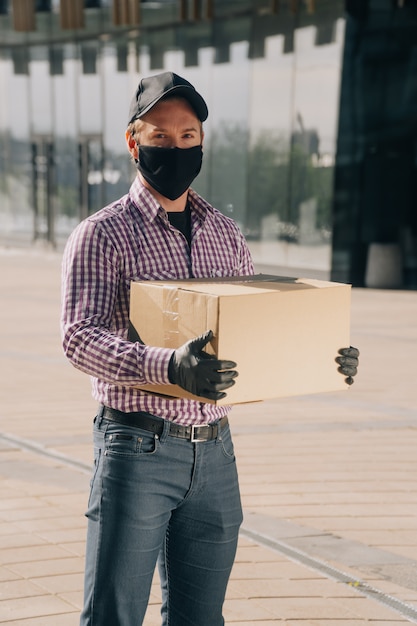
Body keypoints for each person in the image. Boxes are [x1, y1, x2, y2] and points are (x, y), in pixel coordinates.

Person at [61, 71, 359, 626]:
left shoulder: (227, 233)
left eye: (188, 137)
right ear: (133, 142)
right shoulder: (102, 234)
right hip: (137, 447)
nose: (175, 148)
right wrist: (168, 365)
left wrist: (325, 355)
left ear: (201, 142)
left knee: (202, 618)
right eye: (160, 136)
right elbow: (79, 338)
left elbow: (258, 327)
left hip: (217, 454)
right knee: (114, 616)